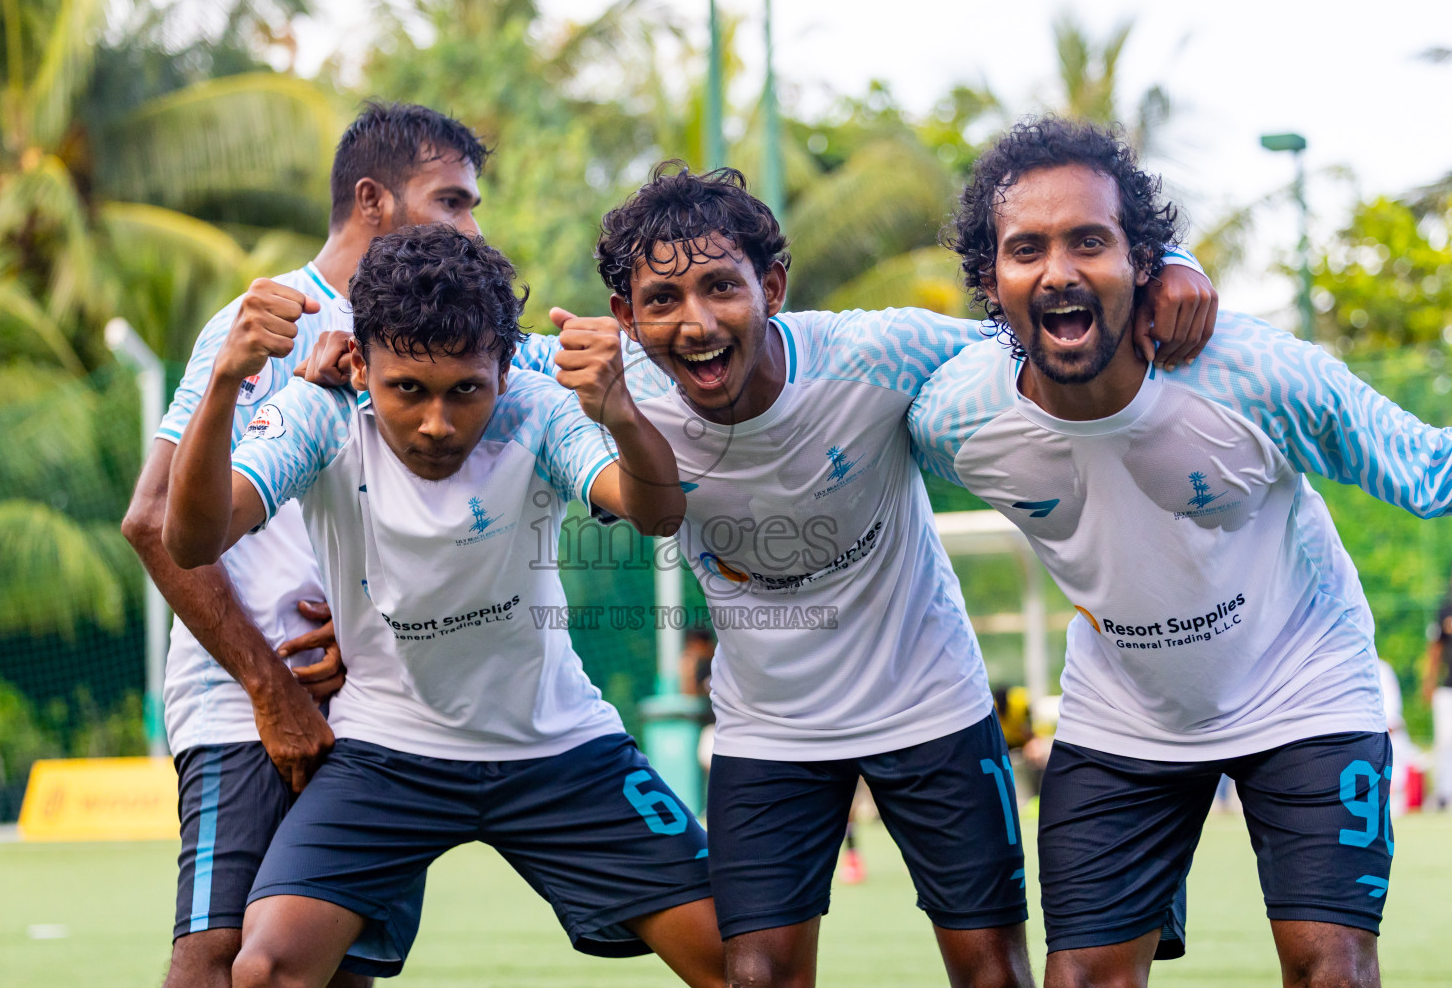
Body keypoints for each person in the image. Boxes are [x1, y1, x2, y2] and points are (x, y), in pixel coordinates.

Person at [573, 163, 1216, 988]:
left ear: (771, 283)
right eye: (662, 301)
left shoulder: (879, 351)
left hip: (930, 705)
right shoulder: (615, 399)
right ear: (626, 317)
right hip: (771, 728)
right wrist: (348, 353)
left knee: (991, 972)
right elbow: (469, 345)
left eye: (722, 287)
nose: (696, 323)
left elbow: (1054, 323)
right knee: (758, 976)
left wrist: (1176, 264)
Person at [906, 116, 1438, 988]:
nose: (1060, 271)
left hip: (1301, 684)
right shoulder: (955, 418)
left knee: (1331, 973)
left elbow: (1426, 470)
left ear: (1141, 261)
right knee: (1082, 980)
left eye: (1090, 241)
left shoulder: (1257, 376)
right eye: (1026, 249)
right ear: (990, 280)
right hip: (1126, 712)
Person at [161, 225, 724, 988]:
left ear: (504, 367)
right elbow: (193, 538)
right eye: (408, 391)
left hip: (555, 746)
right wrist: (228, 378)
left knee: (740, 961)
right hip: (387, 752)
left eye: (466, 390)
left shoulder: (539, 408)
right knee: (263, 968)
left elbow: (655, 513)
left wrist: (621, 410)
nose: (437, 422)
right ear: (359, 365)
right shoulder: (322, 412)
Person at [119, 100, 487, 988]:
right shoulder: (268, 324)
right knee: (214, 959)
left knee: (340, 971)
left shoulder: (450, 343)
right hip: (251, 712)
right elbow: (155, 525)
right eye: (453, 202)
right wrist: (271, 689)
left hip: (384, 716)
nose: (475, 228)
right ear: (373, 200)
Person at [1424, 590, 1452, 808]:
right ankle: (1443, 794)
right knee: (1444, 742)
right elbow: (1436, 646)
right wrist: (1429, 680)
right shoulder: (1446, 606)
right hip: (1448, 687)